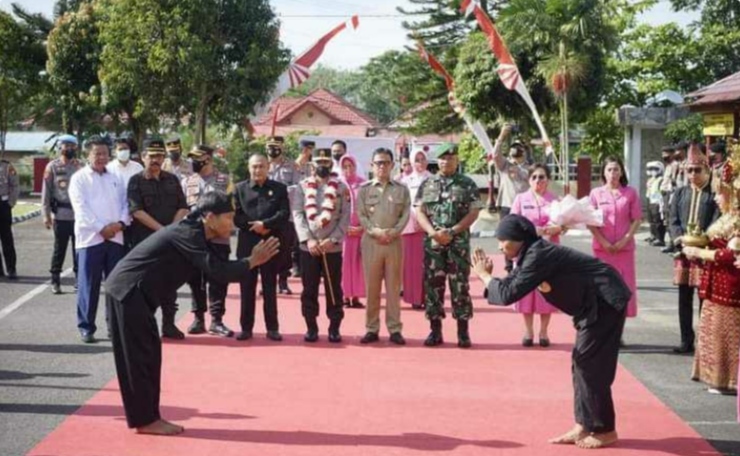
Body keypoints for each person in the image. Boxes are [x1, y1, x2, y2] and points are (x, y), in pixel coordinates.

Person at [105, 191, 280, 435]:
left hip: (138, 296)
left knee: (149, 356)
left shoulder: (200, 234)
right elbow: (219, 271)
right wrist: (252, 261)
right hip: (127, 292)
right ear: (209, 217)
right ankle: (146, 421)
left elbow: (218, 271)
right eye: (228, 218)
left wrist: (250, 262)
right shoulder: (188, 233)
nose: (232, 225)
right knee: (139, 359)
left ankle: (149, 417)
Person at [471, 214, 631, 449]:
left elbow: (506, 295)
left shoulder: (538, 255)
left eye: (503, 240)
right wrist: (489, 277)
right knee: (581, 363)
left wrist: (484, 276)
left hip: (605, 300)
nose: (499, 246)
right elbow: (507, 287)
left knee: (591, 365)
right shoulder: (530, 254)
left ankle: (605, 429)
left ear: (519, 239)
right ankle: (584, 424)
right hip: (591, 305)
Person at [683, 145, 740, 395]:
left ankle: (729, 380)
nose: (716, 198)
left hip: (730, 284)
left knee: (726, 333)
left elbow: (730, 255)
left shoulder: (737, 221)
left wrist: (701, 253)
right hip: (715, 281)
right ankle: (714, 377)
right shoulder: (726, 218)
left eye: (720, 194)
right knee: (712, 329)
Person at [415, 143, 483, 348]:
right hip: (433, 244)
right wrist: (433, 233)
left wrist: (452, 231)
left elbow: (474, 212)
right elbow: (420, 211)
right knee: (433, 287)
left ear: (457, 160)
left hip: (457, 244)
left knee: (460, 286)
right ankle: (435, 331)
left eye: (451, 158)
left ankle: (463, 332)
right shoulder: (427, 184)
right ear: (437, 161)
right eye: (443, 158)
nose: (446, 161)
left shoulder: (467, 184)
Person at [128, 139, 189, 339]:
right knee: (145, 284)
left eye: (160, 156)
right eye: (152, 156)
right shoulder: (135, 181)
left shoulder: (172, 179)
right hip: (145, 242)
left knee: (170, 283)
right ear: (143, 157)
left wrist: (170, 230)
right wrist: (163, 230)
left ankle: (169, 325)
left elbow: (183, 206)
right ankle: (146, 327)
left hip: (170, 242)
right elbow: (136, 211)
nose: (156, 160)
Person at [69, 137, 128, 343]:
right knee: (89, 285)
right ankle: (86, 327)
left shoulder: (115, 177)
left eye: (105, 153)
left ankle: (114, 326)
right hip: (90, 240)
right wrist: (101, 229)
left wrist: (120, 223)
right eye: (97, 153)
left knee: (115, 285)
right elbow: (81, 209)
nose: (102, 157)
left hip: (115, 238)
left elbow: (126, 204)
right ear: (88, 155)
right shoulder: (79, 179)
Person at [292, 147, 350, 343]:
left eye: (326, 162)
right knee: (309, 289)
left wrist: (332, 239)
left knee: (334, 289)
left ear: (331, 164)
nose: (322, 166)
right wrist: (308, 239)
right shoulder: (302, 187)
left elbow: (345, 216)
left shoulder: (340, 188)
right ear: (312, 164)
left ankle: (334, 327)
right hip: (309, 247)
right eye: (319, 162)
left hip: (332, 247)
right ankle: (311, 327)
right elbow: (298, 214)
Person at [356, 148, 410, 345]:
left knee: (394, 288)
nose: (382, 166)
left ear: (392, 165)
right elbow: (361, 215)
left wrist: (393, 232)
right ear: (372, 165)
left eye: (386, 162)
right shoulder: (364, 189)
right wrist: (375, 232)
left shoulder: (401, 189)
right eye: (378, 163)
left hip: (394, 242)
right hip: (372, 242)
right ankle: (372, 328)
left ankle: (395, 329)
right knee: (372, 288)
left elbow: (405, 214)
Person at [234, 154, 290, 342]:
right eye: (254, 166)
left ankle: (272, 328)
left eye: (261, 166)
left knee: (269, 287)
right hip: (247, 244)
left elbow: (284, 214)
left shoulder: (279, 188)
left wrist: (265, 224)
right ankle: (246, 328)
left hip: (270, 243)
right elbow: (236, 216)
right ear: (249, 168)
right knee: (246, 288)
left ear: (268, 168)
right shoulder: (239, 189)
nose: (257, 170)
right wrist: (254, 226)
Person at [668, 144, 719, 354]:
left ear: (706, 170)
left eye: (697, 170)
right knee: (684, 298)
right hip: (683, 252)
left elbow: (717, 221)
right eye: (689, 170)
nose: (692, 174)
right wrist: (679, 239)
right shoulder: (680, 192)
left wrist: (702, 240)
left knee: (704, 299)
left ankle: (704, 343)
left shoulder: (714, 194)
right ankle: (686, 340)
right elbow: (673, 219)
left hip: (704, 253)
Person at [182, 144, 235, 338]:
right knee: (195, 280)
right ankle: (198, 318)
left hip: (219, 238)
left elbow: (231, 209)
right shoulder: (187, 182)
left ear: (209, 159)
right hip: (195, 238)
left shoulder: (225, 181)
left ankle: (217, 320)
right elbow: (183, 209)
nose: (193, 162)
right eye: (192, 158)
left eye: (198, 158)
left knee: (218, 279)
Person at [588, 157, 642, 340]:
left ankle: (618, 333)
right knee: (603, 290)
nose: (613, 173)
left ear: (622, 172)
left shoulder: (630, 193)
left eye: (616, 169)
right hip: (602, 250)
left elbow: (636, 219)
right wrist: (603, 242)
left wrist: (625, 239)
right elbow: (590, 222)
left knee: (622, 290)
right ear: (603, 172)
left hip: (624, 251)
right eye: (609, 169)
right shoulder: (596, 194)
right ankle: (603, 330)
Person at [510, 164, 562, 347]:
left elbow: (564, 223)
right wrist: (532, 230)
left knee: (547, 290)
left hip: (549, 252)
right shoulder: (520, 199)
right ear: (529, 180)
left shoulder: (555, 200)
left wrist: (558, 228)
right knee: (527, 292)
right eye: (534, 177)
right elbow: (512, 224)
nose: (538, 180)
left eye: (542, 177)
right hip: (526, 252)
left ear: (548, 179)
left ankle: (544, 332)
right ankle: (528, 331)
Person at [42, 134, 82, 294]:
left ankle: (79, 279)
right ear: (60, 147)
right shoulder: (52, 166)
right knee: (59, 249)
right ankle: (55, 280)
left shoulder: (81, 166)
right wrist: (45, 215)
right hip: (60, 215)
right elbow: (46, 192)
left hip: (79, 216)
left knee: (79, 249)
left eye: (72, 146)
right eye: (66, 145)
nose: (69, 148)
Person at [266, 135, 301, 293]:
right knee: (268, 249)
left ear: (282, 148)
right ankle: (268, 283)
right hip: (267, 214)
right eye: (270, 147)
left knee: (285, 249)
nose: (272, 150)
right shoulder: (263, 165)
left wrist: (280, 192)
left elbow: (297, 186)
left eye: (276, 147)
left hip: (286, 214)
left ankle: (283, 282)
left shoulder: (292, 166)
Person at [400, 149, 431, 310]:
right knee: (411, 265)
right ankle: (414, 298)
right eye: (417, 160)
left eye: (422, 159)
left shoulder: (433, 179)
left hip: (428, 227)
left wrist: (425, 220)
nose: (420, 163)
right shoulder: (405, 181)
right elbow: (401, 204)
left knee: (426, 265)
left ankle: (427, 297)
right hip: (410, 227)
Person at [339, 155, 366, 309]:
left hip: (360, 232)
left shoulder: (363, 184)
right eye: (345, 166)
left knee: (358, 264)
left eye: (351, 166)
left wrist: (362, 227)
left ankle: (356, 296)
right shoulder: (338, 184)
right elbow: (334, 209)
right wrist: (344, 227)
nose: (348, 169)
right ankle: (344, 295)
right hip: (343, 233)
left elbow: (370, 208)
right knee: (344, 264)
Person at [492, 125, 529, 217]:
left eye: (519, 147)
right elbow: (495, 155)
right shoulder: (504, 164)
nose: (516, 150)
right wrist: (501, 136)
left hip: (525, 206)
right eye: (513, 147)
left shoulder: (531, 167)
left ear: (524, 151)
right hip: (507, 206)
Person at [0, 157, 19, 279]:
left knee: (7, 238)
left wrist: (11, 203)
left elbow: (15, 186)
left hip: (3, 205)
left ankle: (11, 269)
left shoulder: (7, 166)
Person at [645, 160, 666, 247]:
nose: (652, 171)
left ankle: (660, 239)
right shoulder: (650, 180)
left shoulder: (661, 179)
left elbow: (663, 192)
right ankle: (653, 236)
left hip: (658, 202)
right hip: (650, 201)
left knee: (658, 221)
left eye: (654, 169)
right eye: (651, 169)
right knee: (651, 221)